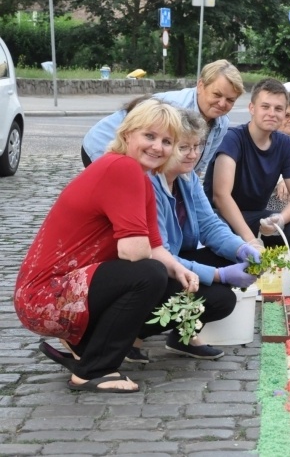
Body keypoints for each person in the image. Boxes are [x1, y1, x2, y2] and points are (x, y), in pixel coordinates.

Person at [15, 100, 199, 393]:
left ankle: (85, 346)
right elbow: (133, 253)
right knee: (149, 274)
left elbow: (153, 244)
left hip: (51, 292)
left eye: (167, 141)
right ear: (127, 135)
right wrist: (156, 261)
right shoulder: (122, 167)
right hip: (44, 297)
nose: (157, 147)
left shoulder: (139, 176)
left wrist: (179, 268)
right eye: (149, 136)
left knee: (166, 279)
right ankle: (93, 369)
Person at [139, 109, 260, 362]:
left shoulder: (187, 177)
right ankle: (132, 334)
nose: (193, 154)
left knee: (233, 261)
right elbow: (160, 254)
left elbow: (210, 226)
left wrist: (241, 248)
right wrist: (219, 276)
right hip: (155, 268)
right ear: (168, 146)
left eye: (198, 146)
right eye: (185, 147)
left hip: (178, 259)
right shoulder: (149, 183)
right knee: (222, 299)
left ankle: (182, 338)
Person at [204, 78, 290, 254]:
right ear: (252, 108)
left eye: (278, 109)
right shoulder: (233, 139)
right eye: (265, 107)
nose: (272, 113)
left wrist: (280, 219)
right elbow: (221, 196)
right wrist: (250, 240)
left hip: (257, 217)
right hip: (220, 217)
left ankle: (269, 259)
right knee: (223, 232)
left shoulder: (286, 145)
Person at [81, 59, 244, 176]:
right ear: (201, 86)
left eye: (230, 100)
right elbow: (157, 162)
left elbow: (195, 169)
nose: (222, 103)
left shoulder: (222, 124)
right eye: (217, 94)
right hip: (102, 144)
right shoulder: (176, 108)